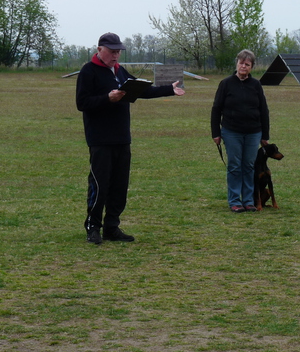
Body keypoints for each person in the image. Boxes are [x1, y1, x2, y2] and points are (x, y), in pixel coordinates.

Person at [76, 32, 185, 245]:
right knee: (100, 184)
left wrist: (169, 90)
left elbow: (142, 90)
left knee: (119, 186)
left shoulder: (119, 71)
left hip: (122, 138)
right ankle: (93, 227)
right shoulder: (88, 71)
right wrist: (108, 98)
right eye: (112, 51)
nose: (116, 55)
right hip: (100, 139)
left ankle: (112, 227)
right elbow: (82, 103)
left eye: (118, 51)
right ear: (99, 50)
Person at [211, 49, 270, 212]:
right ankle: (235, 201)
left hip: (253, 132)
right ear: (236, 64)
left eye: (247, 64)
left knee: (249, 166)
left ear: (252, 67)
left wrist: (265, 135)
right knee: (235, 166)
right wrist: (216, 133)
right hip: (231, 132)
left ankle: (249, 200)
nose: (243, 66)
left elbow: (263, 110)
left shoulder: (256, 85)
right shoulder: (226, 84)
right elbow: (216, 109)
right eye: (241, 63)